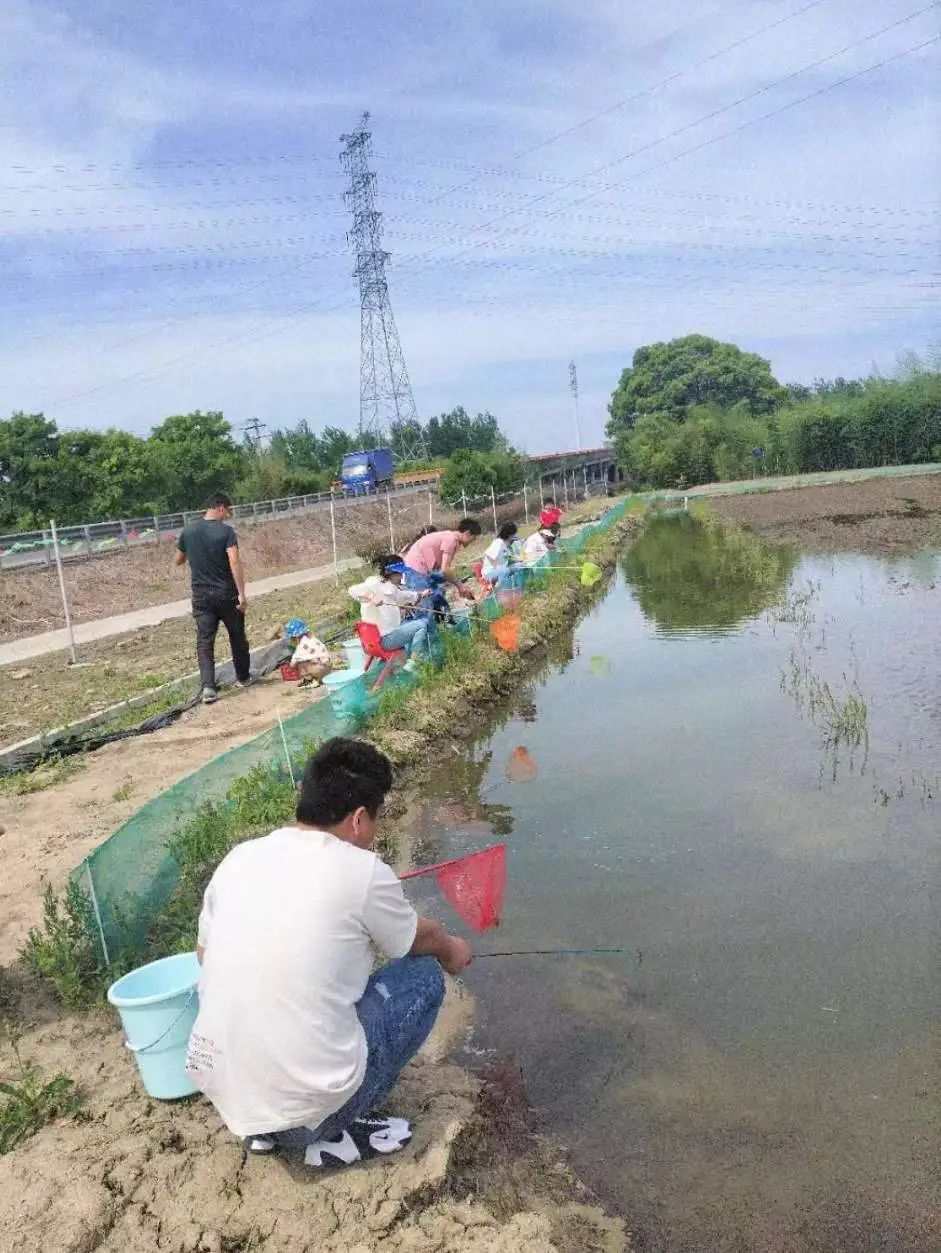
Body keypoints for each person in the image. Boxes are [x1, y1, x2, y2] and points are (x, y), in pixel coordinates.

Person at [185, 738, 472, 1168]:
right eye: (376, 820)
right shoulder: (362, 870)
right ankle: (336, 1129)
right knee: (423, 977)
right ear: (359, 818)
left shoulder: (240, 857)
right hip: (305, 1116)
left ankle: (267, 1129)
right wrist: (453, 951)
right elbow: (419, 940)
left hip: (228, 1097)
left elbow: (204, 955)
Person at [174, 491, 250, 704]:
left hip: (201, 597)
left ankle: (208, 687)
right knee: (237, 636)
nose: (228, 515)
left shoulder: (188, 530)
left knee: (205, 641)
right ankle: (243, 677)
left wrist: (195, 551)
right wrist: (242, 594)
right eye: (227, 510)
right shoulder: (226, 532)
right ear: (219, 507)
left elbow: (178, 560)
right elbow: (234, 562)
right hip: (226, 594)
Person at [348, 556, 437, 672]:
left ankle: (411, 665)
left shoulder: (389, 587)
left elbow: (403, 596)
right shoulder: (373, 582)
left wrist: (421, 594)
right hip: (384, 639)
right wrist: (372, 597)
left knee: (410, 627)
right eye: (399, 574)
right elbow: (352, 590)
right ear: (390, 572)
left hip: (372, 642)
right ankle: (414, 661)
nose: (401, 577)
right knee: (422, 624)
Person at [401, 518, 480, 605]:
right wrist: (459, 585)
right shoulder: (451, 539)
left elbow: (443, 572)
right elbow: (445, 569)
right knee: (424, 606)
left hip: (423, 570)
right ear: (467, 533)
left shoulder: (451, 539)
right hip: (416, 571)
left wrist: (460, 585)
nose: (473, 541)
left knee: (438, 598)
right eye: (474, 538)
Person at [285, 619, 332, 688]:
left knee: (300, 664)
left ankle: (311, 680)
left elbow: (292, 663)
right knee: (309, 660)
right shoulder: (314, 640)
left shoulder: (301, 646)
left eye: (292, 639)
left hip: (318, 669)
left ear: (296, 637)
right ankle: (319, 679)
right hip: (328, 668)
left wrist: (293, 666)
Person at [481, 522, 519, 587]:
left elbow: (504, 559)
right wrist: (498, 567)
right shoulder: (498, 543)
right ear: (509, 534)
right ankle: (502, 589)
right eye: (513, 535)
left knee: (519, 566)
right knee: (505, 571)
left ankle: (515, 584)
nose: (513, 537)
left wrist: (514, 561)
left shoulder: (505, 544)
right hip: (490, 572)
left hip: (500, 570)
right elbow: (488, 555)